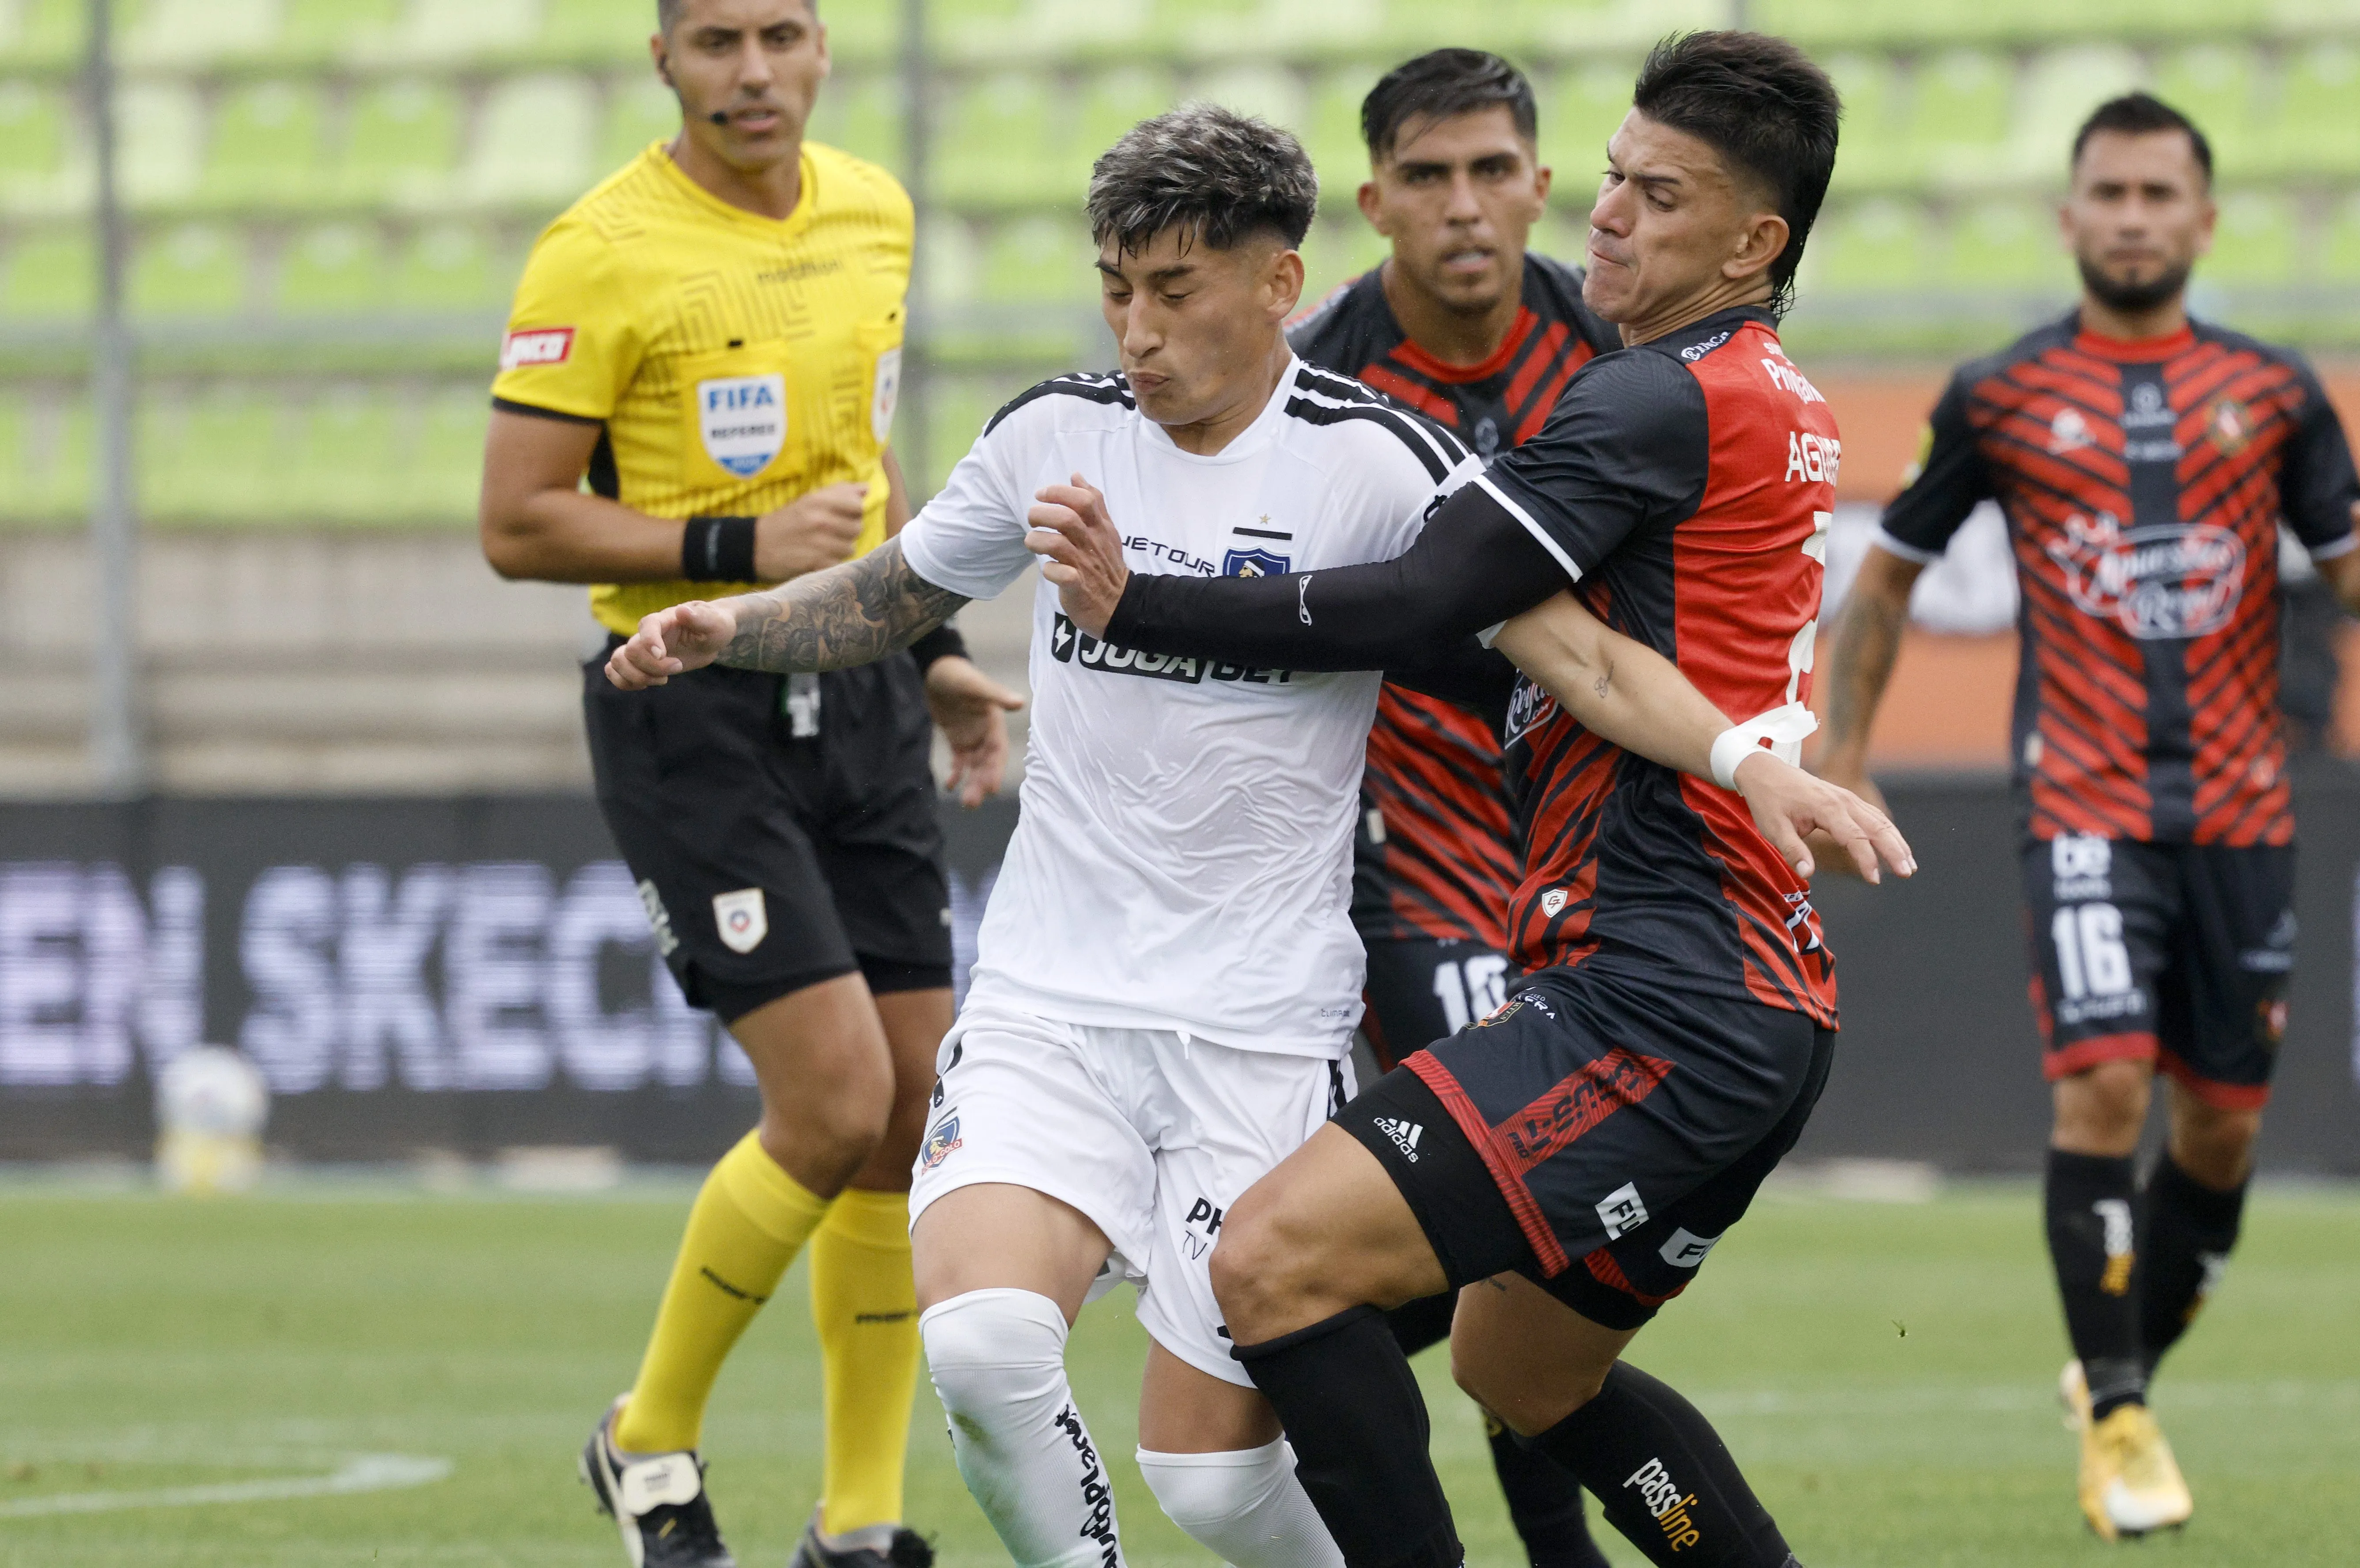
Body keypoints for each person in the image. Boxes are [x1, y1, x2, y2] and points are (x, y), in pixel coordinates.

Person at [600, 102, 1885, 1568]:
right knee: (984, 1347)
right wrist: (733, 630)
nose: (1138, 331)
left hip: (1260, 1026)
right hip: (1050, 1009)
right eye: (1116, 290)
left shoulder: (1378, 464)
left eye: (1175, 291)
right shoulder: (1050, 437)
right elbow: (895, 587)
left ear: (1279, 285)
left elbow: (1560, 653)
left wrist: (1738, 754)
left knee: (1215, 1476)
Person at [1022, 33, 1893, 1568]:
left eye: (1656, 195)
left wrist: (1136, 604)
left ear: (1753, 243)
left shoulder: (1646, 398)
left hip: (1663, 985)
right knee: (1520, 1368)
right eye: (1613, 180)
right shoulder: (1763, 393)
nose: (1606, 216)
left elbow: (1430, 596)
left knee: (1275, 1265)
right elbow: (1549, 646)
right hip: (1743, 990)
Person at [1813, 91, 2360, 1542]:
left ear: (2201, 220)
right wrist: (1841, 745)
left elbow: (2356, 581)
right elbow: (1889, 574)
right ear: (2068, 216)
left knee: (2215, 1136)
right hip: (2082, 802)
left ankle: (2112, 1378)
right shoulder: (1999, 394)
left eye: (2160, 194)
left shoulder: (2271, 391)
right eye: (2110, 192)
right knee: (2100, 1090)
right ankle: (2124, 1411)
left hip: (2242, 814)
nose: (2134, 217)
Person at [478, 4, 1016, 1564]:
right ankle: (645, 1442)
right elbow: (516, 524)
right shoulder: (598, 250)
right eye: (715, 39)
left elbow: (866, 463)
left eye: (782, 32)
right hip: (686, 703)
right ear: (663, 61)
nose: (755, 70)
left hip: (853, 697)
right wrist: (729, 551)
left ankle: (859, 1524)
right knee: (833, 1094)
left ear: (824, 46)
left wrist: (933, 654)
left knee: (911, 1115)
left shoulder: (875, 211)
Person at [1290, 46, 1621, 1568]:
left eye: (1492, 171)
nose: (1464, 207)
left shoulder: (1612, 350)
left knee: (1528, 1238)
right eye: (1426, 178)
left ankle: (1295, 1369)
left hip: (1594, 847)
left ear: (1540, 185)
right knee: (1510, 1204)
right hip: (1412, 852)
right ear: (1372, 203)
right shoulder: (1316, 384)